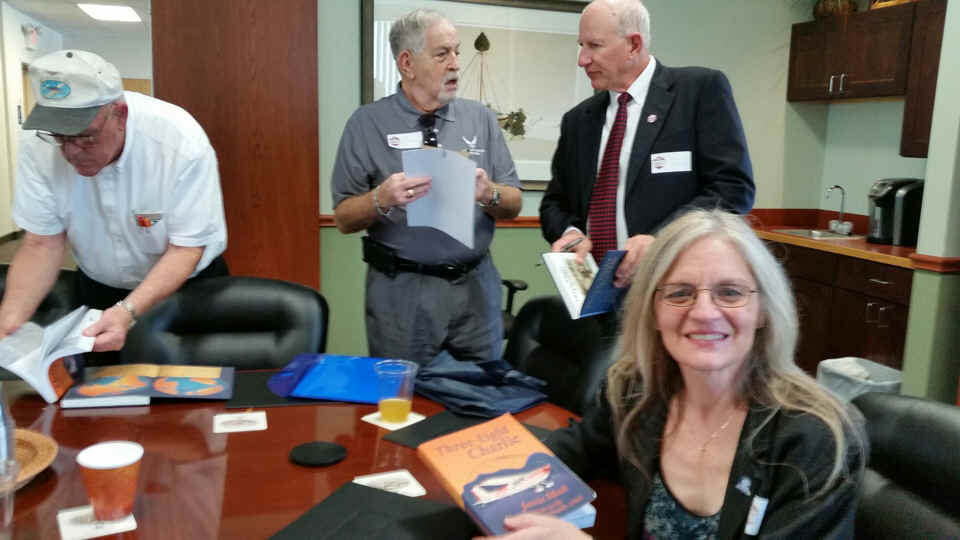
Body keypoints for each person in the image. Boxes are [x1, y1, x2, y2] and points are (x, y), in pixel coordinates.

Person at [479, 209, 867, 539]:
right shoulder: (636, 390)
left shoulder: (817, 435)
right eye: (679, 292)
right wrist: (484, 483)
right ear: (652, 311)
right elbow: (569, 451)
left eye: (730, 292)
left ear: (764, 310)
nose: (703, 312)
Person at [0, 50, 228, 356]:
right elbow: (42, 242)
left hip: (187, 288)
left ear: (119, 114)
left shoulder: (179, 141)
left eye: (86, 137)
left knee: (188, 392)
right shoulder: (37, 144)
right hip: (99, 287)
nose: (71, 151)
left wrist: (127, 311)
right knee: (98, 393)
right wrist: (9, 323)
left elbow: (186, 249)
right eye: (60, 137)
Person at [331, 8, 522, 365]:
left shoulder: (479, 117)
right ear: (407, 63)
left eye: (457, 51)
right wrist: (380, 199)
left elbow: (513, 202)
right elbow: (343, 217)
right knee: (405, 406)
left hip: (476, 290)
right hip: (402, 294)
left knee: (481, 401)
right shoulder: (367, 123)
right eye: (442, 54)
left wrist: (487, 193)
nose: (455, 63)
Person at [540, 0, 755, 288]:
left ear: (633, 44)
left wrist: (661, 240)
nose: (582, 59)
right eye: (582, 45)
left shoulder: (698, 92)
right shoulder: (578, 120)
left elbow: (733, 189)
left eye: (594, 45)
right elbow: (555, 203)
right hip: (594, 292)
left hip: (673, 285)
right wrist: (570, 232)